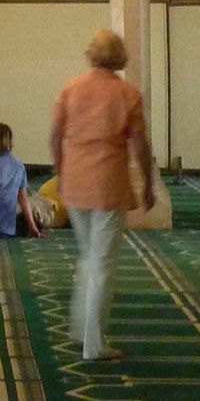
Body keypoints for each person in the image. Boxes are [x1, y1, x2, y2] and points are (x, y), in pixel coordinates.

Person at [49, 29, 155, 363]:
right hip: (108, 184)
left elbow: (55, 136)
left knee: (88, 256)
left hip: (76, 183)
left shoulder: (71, 88)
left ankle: (82, 328)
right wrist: (149, 183)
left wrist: (61, 169)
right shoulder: (127, 94)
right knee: (103, 264)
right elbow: (139, 144)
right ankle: (93, 344)